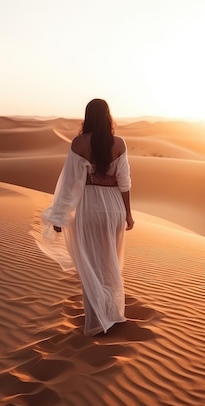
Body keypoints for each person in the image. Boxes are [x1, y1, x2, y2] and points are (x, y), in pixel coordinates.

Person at [36, 98, 134, 336]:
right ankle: (112, 313)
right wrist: (128, 214)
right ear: (108, 116)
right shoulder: (119, 143)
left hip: (88, 207)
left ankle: (97, 319)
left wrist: (59, 217)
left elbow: (69, 184)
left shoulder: (79, 143)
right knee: (110, 261)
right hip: (113, 208)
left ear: (88, 116)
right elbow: (125, 182)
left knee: (90, 262)